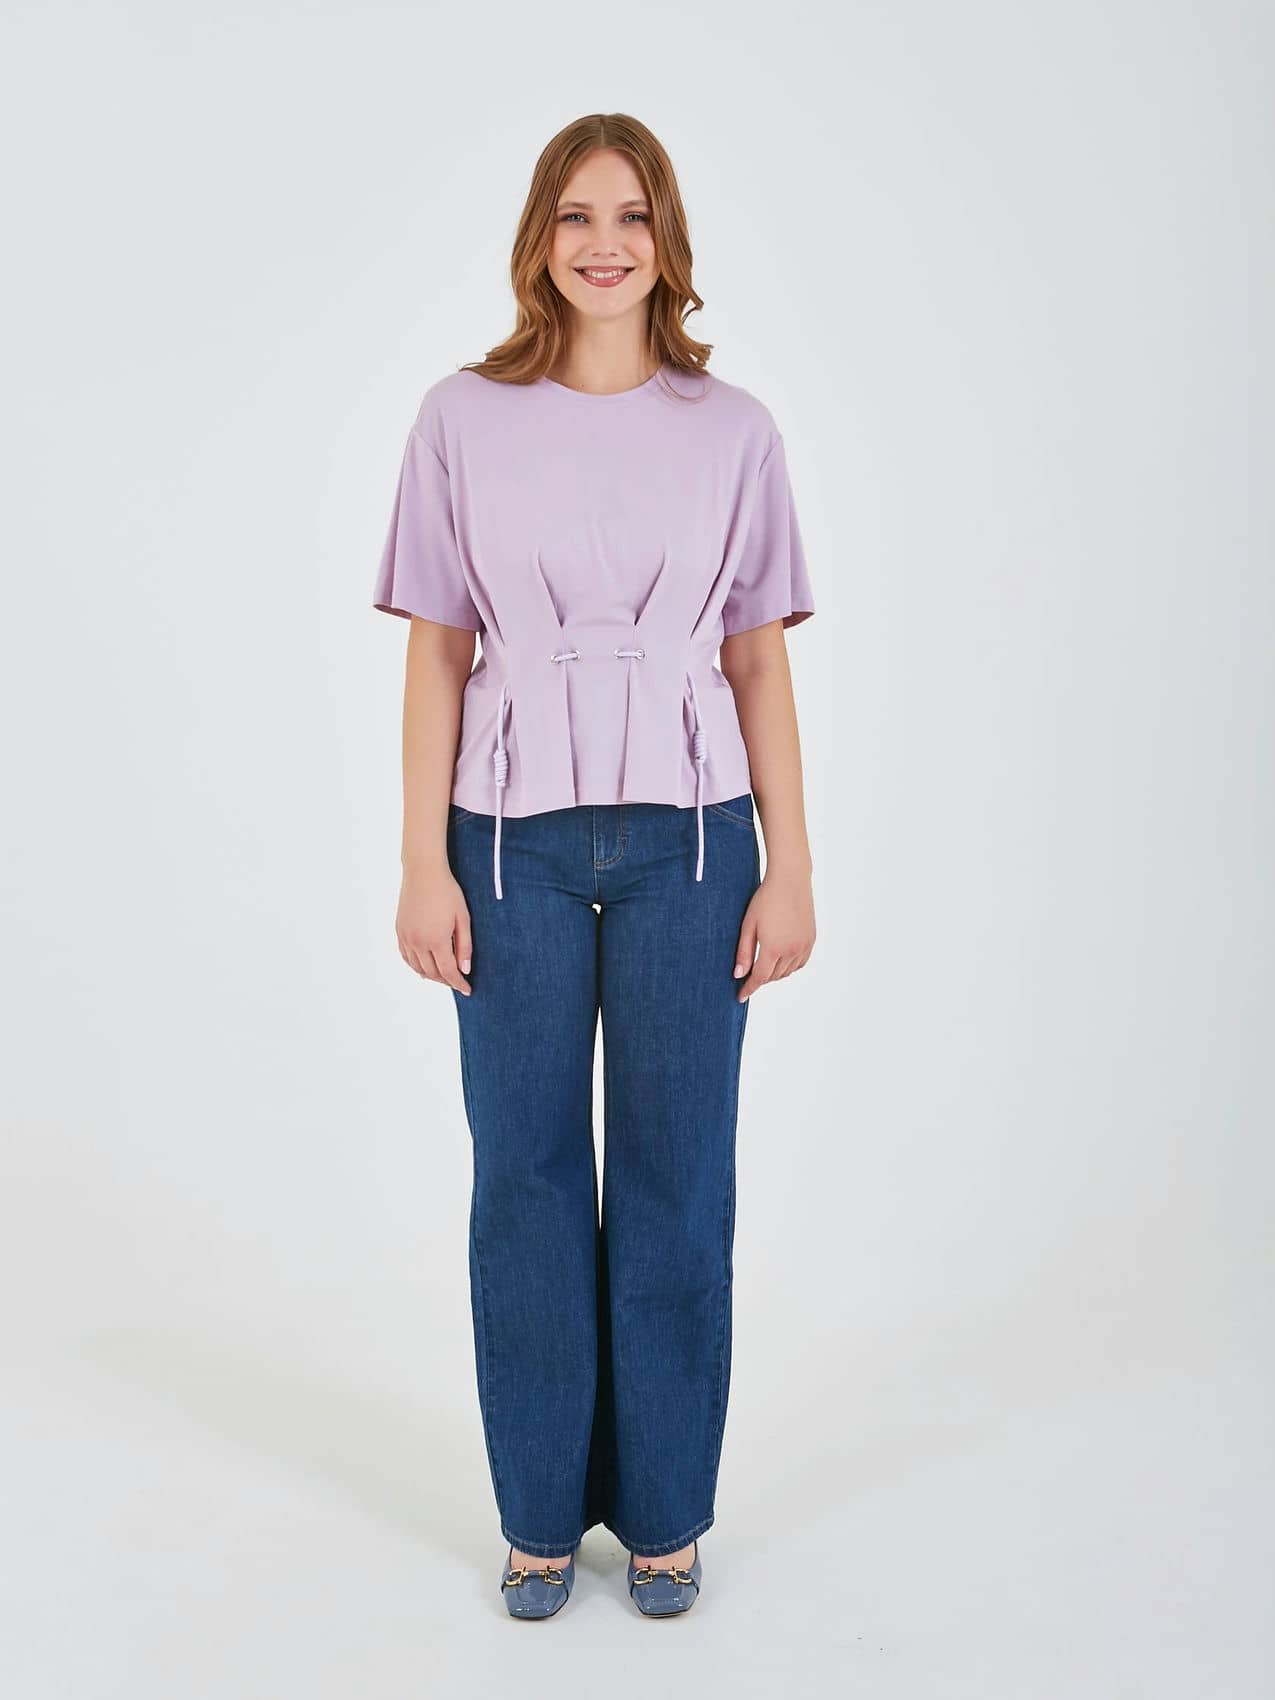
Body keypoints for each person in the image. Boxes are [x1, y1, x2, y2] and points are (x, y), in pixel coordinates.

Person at [372, 113, 816, 1620]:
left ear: (666, 240)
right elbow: (439, 652)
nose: (604, 243)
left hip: (697, 845)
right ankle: (541, 1516)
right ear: (538, 239)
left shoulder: (735, 430)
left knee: (682, 1177)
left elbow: (757, 662)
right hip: (507, 850)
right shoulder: (461, 417)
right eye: (575, 215)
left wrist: (792, 869)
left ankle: (670, 1511)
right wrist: (420, 863)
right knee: (527, 1177)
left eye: (631, 216)